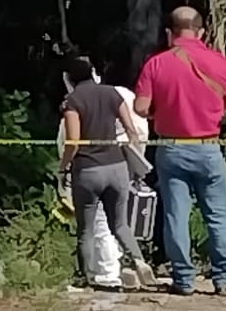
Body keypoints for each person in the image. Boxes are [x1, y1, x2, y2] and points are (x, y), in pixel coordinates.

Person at [134, 6, 226, 297]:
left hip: (172, 148)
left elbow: (141, 108)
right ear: (202, 32)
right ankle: (224, 279)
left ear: (170, 33)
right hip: (209, 148)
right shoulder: (219, 62)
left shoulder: (155, 65)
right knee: (218, 215)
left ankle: (183, 280)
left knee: (176, 216)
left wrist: (163, 111)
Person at [58, 56, 154, 292]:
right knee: (120, 224)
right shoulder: (113, 93)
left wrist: (63, 168)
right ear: (92, 73)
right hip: (117, 167)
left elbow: (73, 141)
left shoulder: (72, 101)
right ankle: (140, 261)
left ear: (69, 79)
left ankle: (85, 277)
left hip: (88, 171)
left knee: (86, 230)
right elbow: (131, 129)